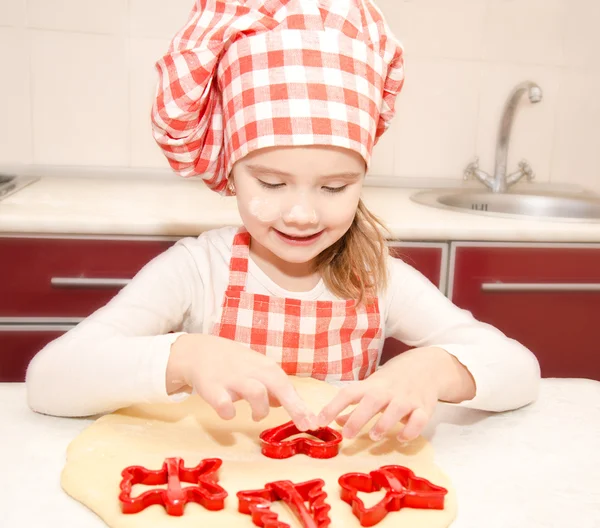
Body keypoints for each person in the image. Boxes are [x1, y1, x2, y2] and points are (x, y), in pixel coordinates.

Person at [26, 0, 540, 443]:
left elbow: (521, 370)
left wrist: (436, 368)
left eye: (335, 187)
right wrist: (184, 356)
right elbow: (49, 379)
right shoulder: (197, 271)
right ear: (231, 170)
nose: (301, 213)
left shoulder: (378, 278)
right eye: (271, 183)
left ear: (363, 177)